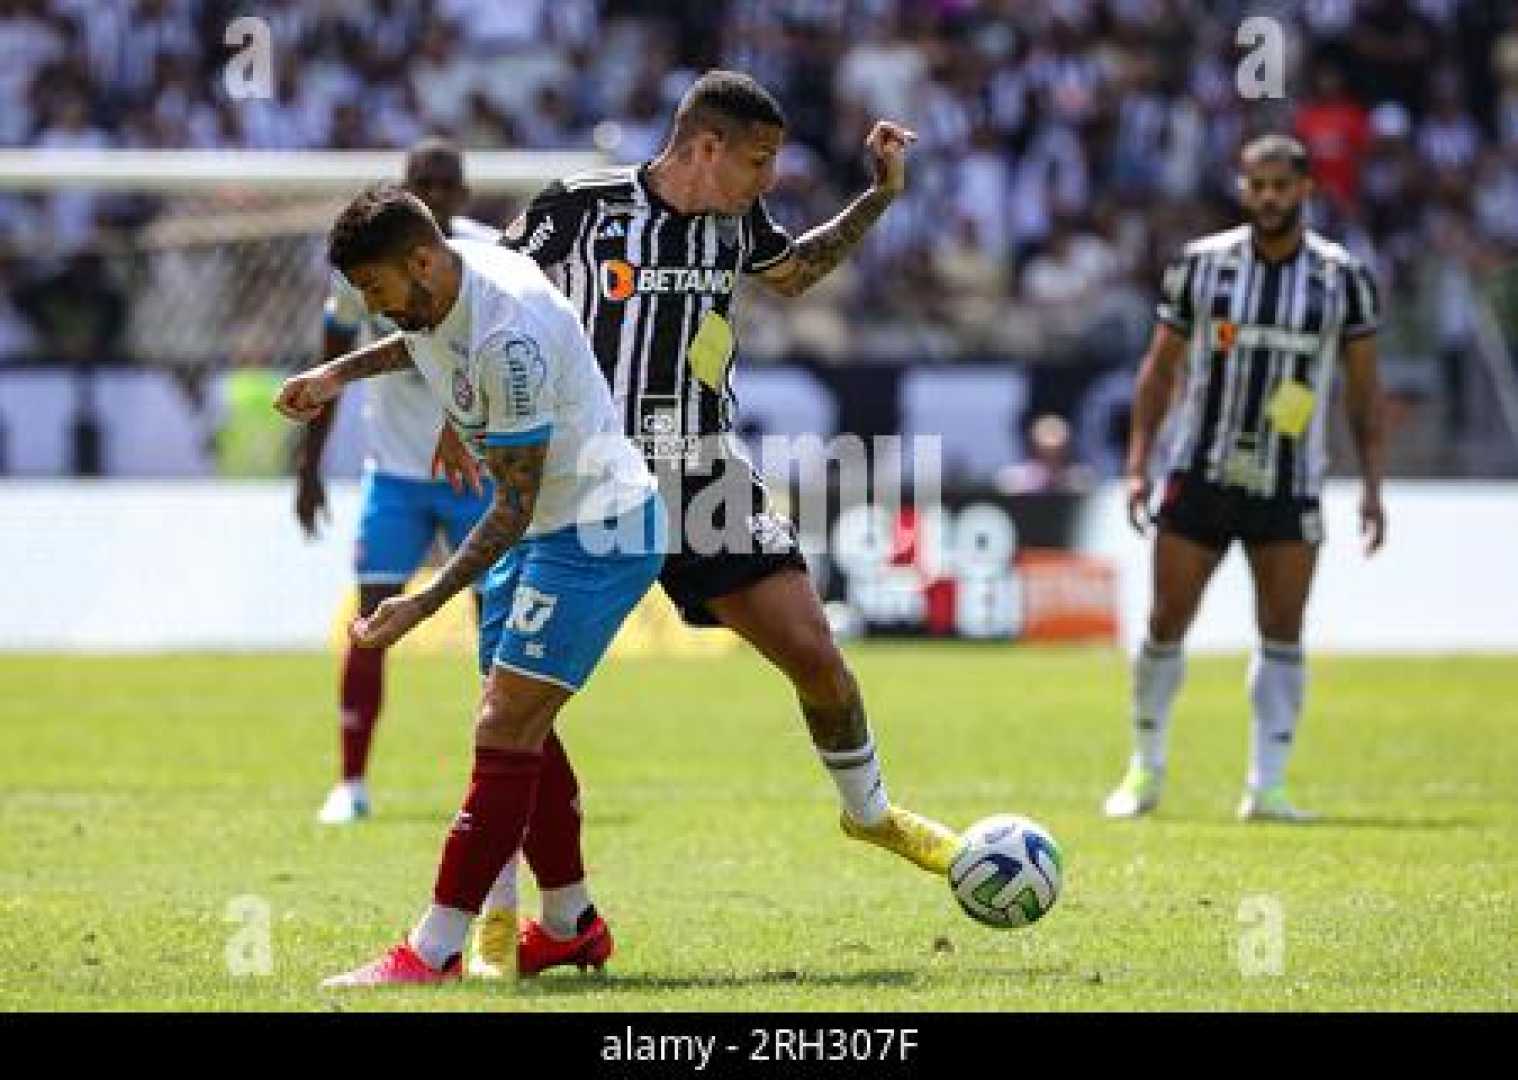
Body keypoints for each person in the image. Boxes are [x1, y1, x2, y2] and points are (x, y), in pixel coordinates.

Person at [434, 69, 963, 974]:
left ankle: (870, 812)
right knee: (518, 705)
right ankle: (507, 911)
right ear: (704, 146)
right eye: (758, 161)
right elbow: (488, 307)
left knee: (816, 656)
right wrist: (461, 413)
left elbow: (795, 272)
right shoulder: (577, 210)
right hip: (580, 481)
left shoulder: (738, 222)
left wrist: (876, 198)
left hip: (701, 471)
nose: (768, 181)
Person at [274, 185, 663, 987]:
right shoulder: (448, 284)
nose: (377, 309)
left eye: (378, 292)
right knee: (522, 722)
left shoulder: (506, 336)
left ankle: (434, 949)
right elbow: (416, 345)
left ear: (420, 260)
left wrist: (423, 602)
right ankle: (571, 923)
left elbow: (511, 508)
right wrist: (333, 375)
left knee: (503, 724)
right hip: (556, 520)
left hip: (593, 529)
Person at [1102, 134, 1386, 823]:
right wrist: (1138, 464)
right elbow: (1159, 370)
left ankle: (1269, 786)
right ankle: (1145, 768)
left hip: (1290, 482)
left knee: (1282, 628)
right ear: (1243, 188)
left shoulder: (1342, 277)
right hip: (1200, 470)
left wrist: (1374, 486)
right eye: (1256, 185)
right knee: (1166, 620)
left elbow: (1363, 392)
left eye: (1280, 186)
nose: (1267, 198)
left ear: (1306, 191)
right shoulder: (1202, 267)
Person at [296, 138, 501, 826]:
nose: (437, 194)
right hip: (396, 475)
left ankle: (495, 778)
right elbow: (333, 359)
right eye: (424, 182)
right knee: (371, 617)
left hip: (475, 473)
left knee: (493, 625)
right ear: (407, 189)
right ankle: (349, 781)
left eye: (447, 183)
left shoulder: (488, 256)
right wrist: (309, 465)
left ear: (464, 194)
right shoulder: (368, 268)